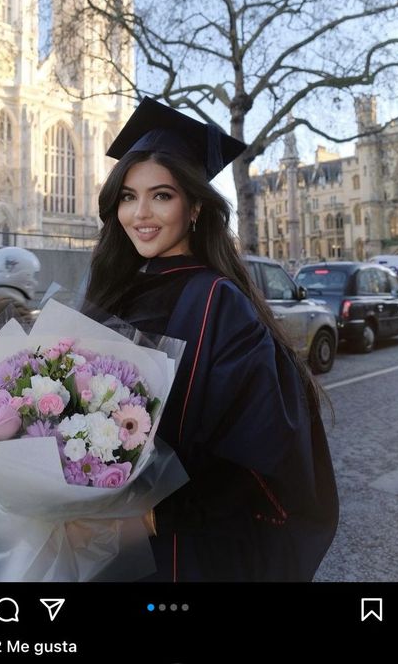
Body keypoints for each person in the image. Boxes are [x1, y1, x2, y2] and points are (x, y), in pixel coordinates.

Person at [85, 97, 339, 582]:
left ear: (196, 204)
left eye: (162, 195)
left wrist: (153, 515)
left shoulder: (219, 303)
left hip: (184, 554)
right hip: (104, 545)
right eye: (127, 196)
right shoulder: (114, 292)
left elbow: (263, 457)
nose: (141, 213)